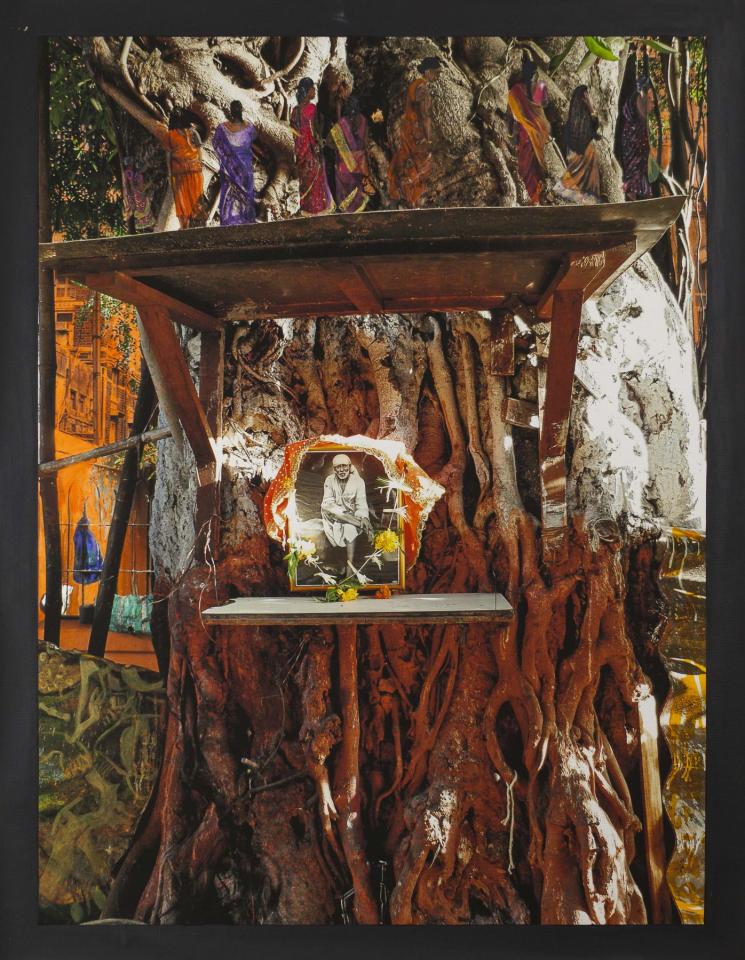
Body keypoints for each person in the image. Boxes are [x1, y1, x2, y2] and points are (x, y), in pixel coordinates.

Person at [387, 56, 442, 208]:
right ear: (428, 72)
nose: (438, 76)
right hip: (416, 131)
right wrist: (428, 137)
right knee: (420, 164)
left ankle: (406, 198)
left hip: (408, 128)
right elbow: (424, 115)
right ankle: (411, 200)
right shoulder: (422, 88)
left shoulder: (415, 85)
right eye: (436, 73)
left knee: (407, 159)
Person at [507, 55, 551, 204]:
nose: (531, 77)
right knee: (527, 164)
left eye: (532, 74)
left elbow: (544, 103)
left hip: (535, 132)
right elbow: (544, 103)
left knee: (533, 165)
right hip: (529, 132)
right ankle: (531, 195)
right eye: (530, 74)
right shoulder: (520, 90)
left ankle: (536, 194)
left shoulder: (521, 89)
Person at [320, 454, 373, 578]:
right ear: (334, 469)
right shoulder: (329, 480)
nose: (342, 470)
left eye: (344, 466)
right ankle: (358, 524)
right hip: (333, 516)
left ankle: (350, 566)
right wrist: (357, 521)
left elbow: (361, 503)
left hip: (352, 516)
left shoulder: (359, 482)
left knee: (349, 529)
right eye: (338, 467)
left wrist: (364, 517)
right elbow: (328, 503)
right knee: (332, 509)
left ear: (349, 467)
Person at [291, 77, 335, 216]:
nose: (315, 91)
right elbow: (315, 130)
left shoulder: (295, 110)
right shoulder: (312, 108)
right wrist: (318, 143)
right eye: (313, 89)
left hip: (300, 149)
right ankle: (317, 209)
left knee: (305, 178)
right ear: (307, 91)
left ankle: (305, 209)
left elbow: (294, 132)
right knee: (316, 176)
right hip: (310, 147)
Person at [554, 85, 603, 204]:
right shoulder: (576, 122)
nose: (588, 98)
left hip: (582, 157)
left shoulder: (582, 121)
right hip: (577, 158)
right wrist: (590, 107)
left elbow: (595, 127)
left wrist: (590, 107)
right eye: (585, 96)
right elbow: (595, 126)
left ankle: (584, 197)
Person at [212, 100, 258, 225]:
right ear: (241, 111)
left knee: (230, 193)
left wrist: (228, 156)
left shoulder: (222, 128)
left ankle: (229, 220)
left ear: (231, 112)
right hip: (244, 167)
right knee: (243, 194)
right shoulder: (249, 128)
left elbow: (216, 143)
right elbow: (253, 137)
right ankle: (244, 221)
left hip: (229, 166)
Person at [328, 95, 374, 211]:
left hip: (352, 162)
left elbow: (330, 142)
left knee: (355, 187)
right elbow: (330, 142)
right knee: (353, 187)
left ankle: (353, 209)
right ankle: (352, 209)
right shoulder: (351, 121)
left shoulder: (351, 121)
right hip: (353, 162)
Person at [165, 108, 205, 228]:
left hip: (179, 172)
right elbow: (199, 150)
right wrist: (199, 164)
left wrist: (169, 173)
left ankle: (185, 226)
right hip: (193, 170)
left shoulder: (170, 135)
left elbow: (168, 155)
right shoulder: (193, 132)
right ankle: (197, 225)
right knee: (194, 198)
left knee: (182, 199)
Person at [620, 76, 654, 200]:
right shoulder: (631, 107)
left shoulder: (645, 107)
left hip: (642, 150)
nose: (652, 101)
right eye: (649, 96)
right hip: (632, 139)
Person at [121, 156, 155, 233]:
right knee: (141, 208)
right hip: (135, 193)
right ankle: (147, 225)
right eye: (131, 164)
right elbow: (130, 184)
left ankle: (148, 225)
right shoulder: (129, 173)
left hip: (135, 193)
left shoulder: (132, 173)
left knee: (142, 208)